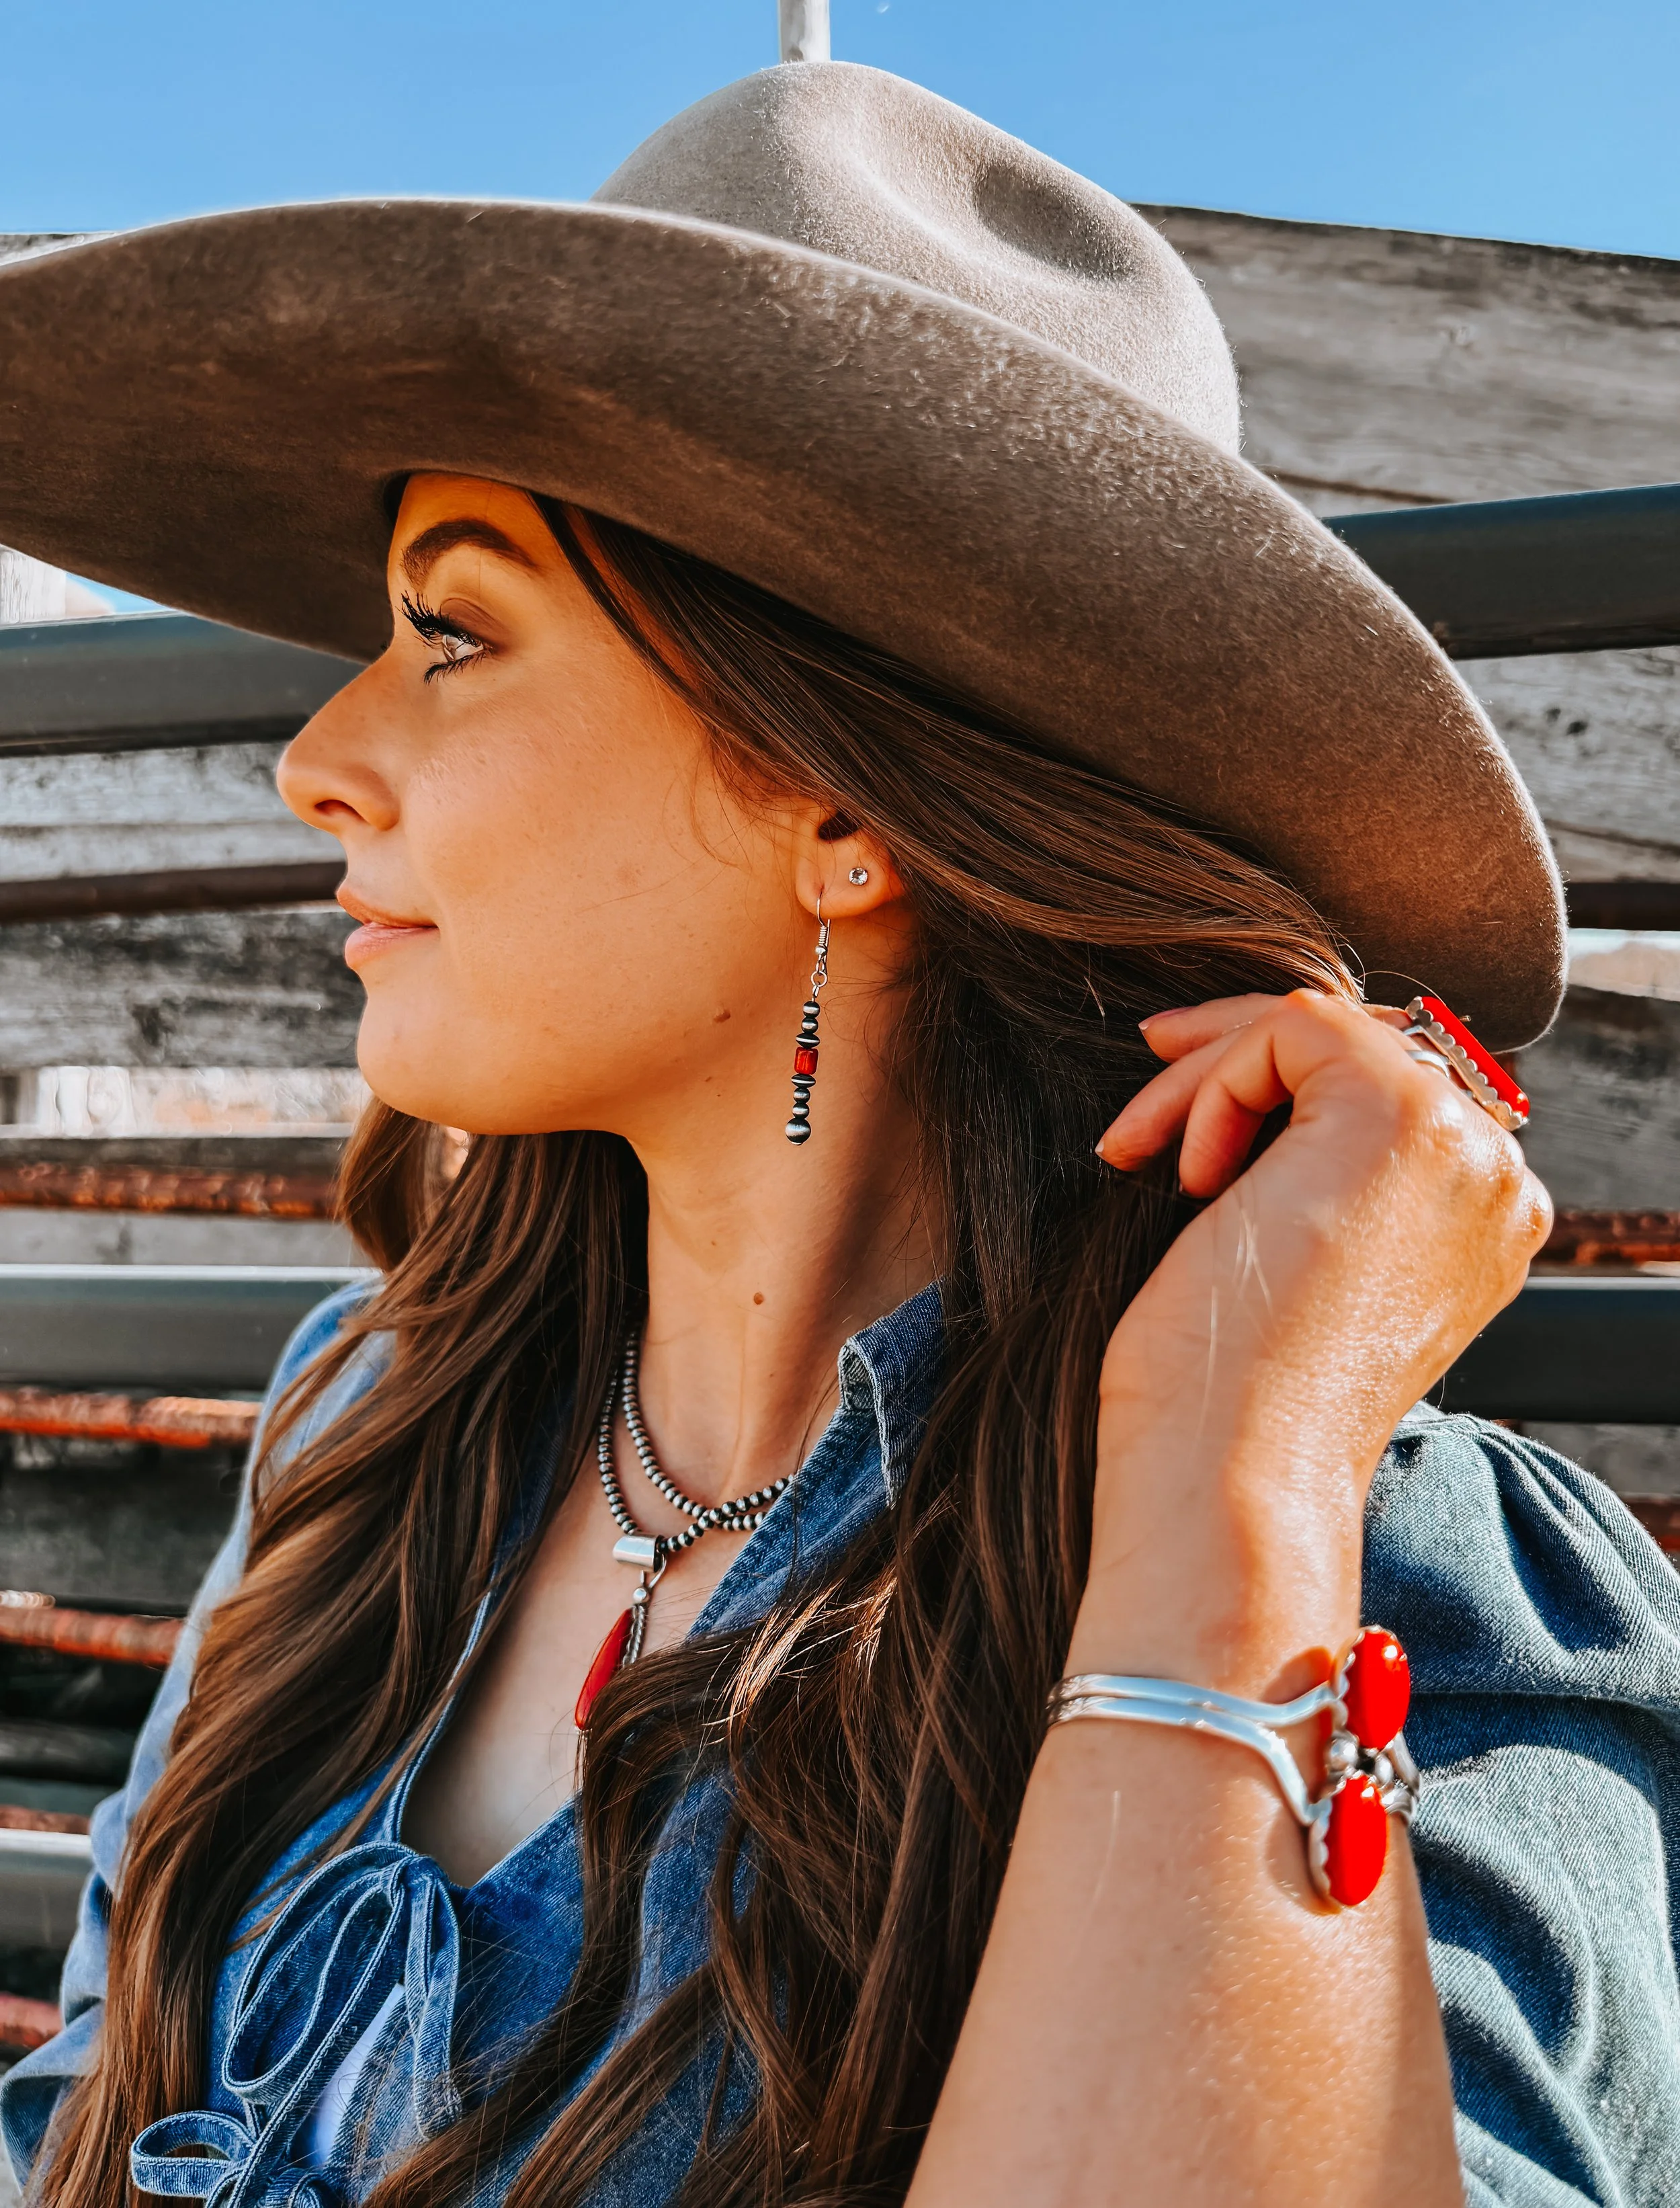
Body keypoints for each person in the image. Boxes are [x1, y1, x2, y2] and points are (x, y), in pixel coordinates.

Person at [1, 58, 1677, 2208]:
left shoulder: (1403, 1589)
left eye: (450, 634)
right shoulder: (373, 1422)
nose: (315, 758)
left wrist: (1235, 1477)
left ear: (834, 796)